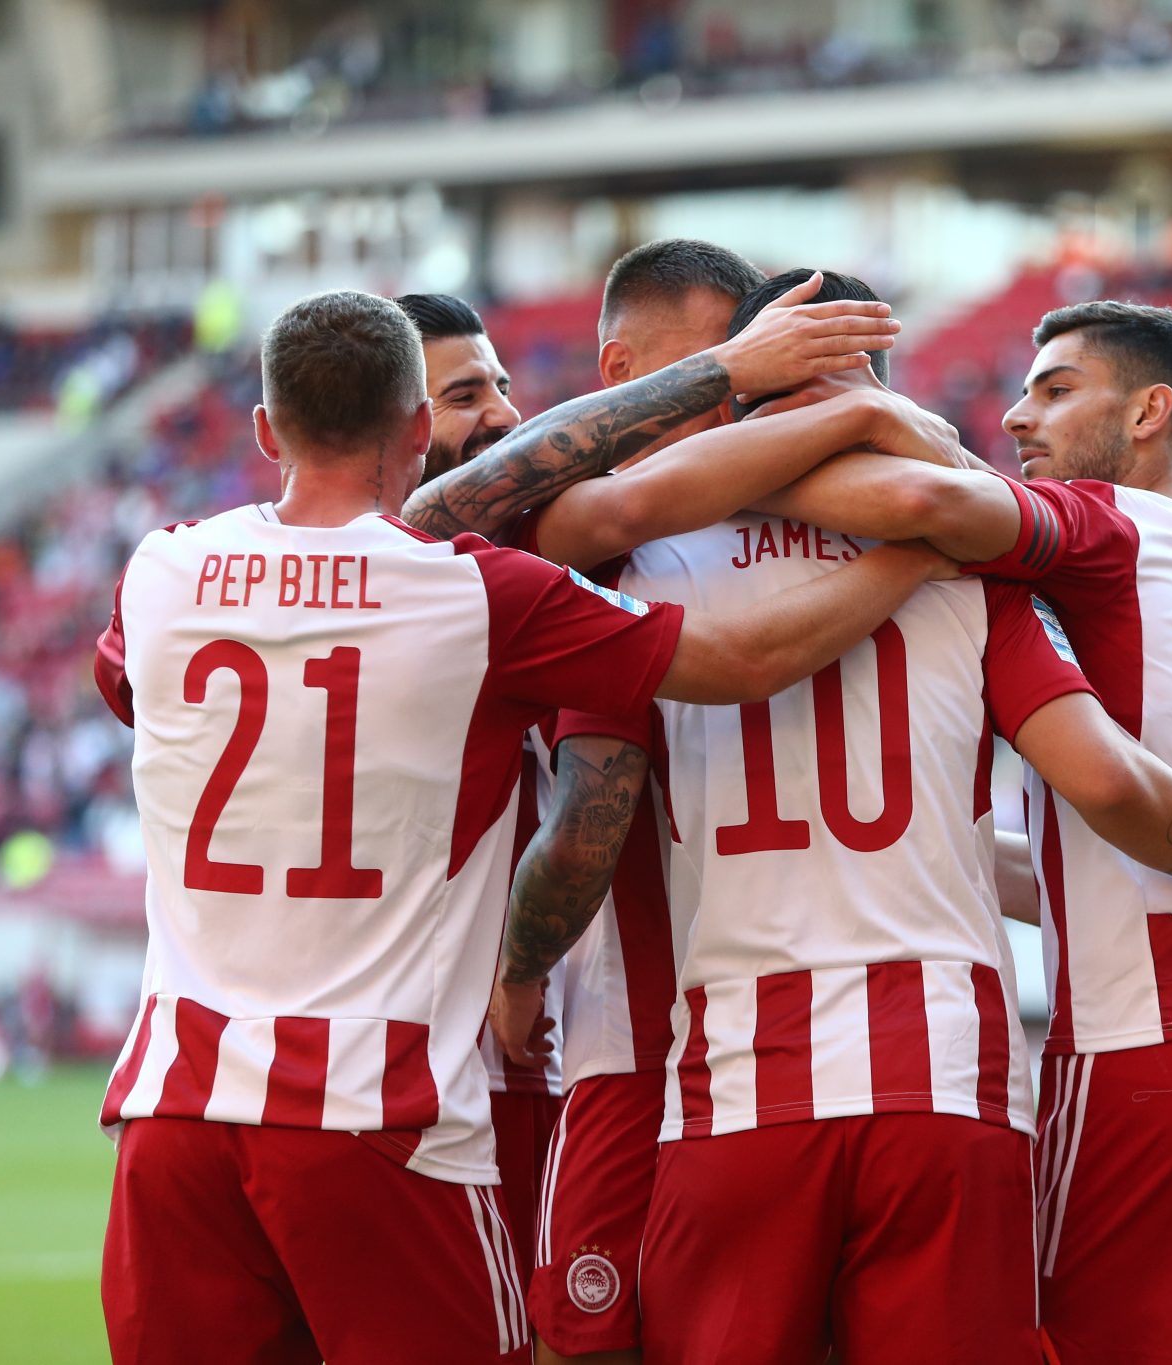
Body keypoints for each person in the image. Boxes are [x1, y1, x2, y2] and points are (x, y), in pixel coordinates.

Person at [92, 289, 954, 1365]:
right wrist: (921, 552)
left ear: (267, 430)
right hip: (375, 1106)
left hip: (173, 1110)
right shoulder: (470, 592)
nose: (496, 411)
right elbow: (741, 662)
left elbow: (143, 687)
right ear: (418, 426)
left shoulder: (162, 570)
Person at [489, 271, 1172, 1364]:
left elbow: (587, 807)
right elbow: (1096, 773)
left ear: (742, 392)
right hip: (947, 1078)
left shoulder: (640, 566)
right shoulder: (974, 578)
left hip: (737, 1075)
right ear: (882, 391)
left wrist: (519, 969)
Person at [749, 298, 1172, 1363]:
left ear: (1147, 414)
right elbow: (1106, 852)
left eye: (1054, 391)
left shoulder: (1098, 529)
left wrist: (727, 461)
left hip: (1152, 1045)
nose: (1016, 416)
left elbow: (917, 498)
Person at [404, 242, 941, 1364]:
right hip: (601, 1029)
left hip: (680, 1036)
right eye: (734, 364)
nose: (747, 398)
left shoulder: (684, 535)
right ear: (628, 372)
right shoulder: (582, 540)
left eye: (770, 368)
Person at [392, 290, 562, 1307]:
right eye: (465, 396)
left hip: (526, 1060)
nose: (504, 412)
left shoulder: (530, 558)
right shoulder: (466, 587)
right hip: (458, 1070)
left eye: (501, 383)